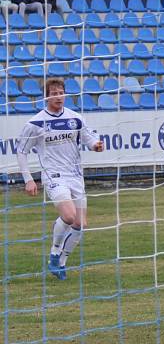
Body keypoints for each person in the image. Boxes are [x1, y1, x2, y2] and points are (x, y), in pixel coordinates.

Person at [16, 78, 104, 280]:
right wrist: (28, 179)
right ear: (46, 97)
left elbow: (89, 139)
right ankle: (55, 251)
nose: (58, 96)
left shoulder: (75, 118)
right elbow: (21, 152)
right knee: (70, 216)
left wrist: (96, 145)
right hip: (53, 175)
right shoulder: (35, 123)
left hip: (75, 175)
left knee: (80, 225)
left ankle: (60, 262)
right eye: (53, 93)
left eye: (60, 92)